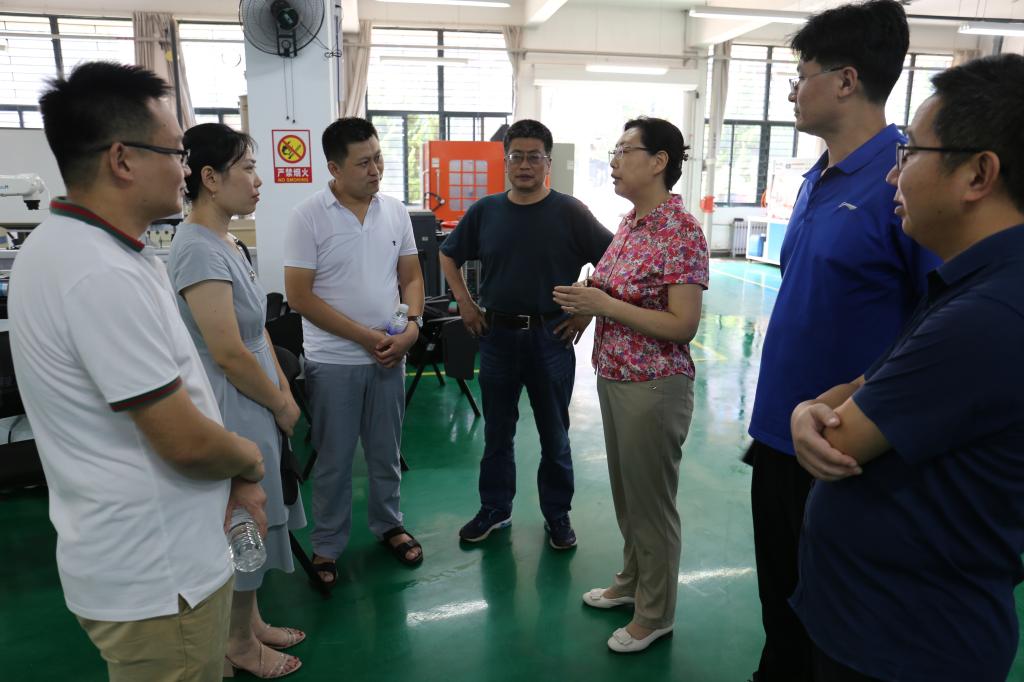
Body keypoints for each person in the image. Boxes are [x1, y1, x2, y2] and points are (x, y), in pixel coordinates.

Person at [10, 61, 266, 681]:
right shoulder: (98, 272)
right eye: (177, 153)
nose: (185, 170)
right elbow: (183, 441)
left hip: (143, 559)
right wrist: (249, 461)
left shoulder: (73, 247)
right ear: (122, 160)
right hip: (160, 576)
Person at [789, 52, 1024, 682]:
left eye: (910, 152)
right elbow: (862, 386)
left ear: (978, 174)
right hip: (882, 623)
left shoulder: (989, 315)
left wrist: (808, 413)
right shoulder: (972, 284)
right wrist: (813, 406)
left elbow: (841, 434)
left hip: (905, 644)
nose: (893, 175)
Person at [742, 2, 940, 679]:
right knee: (780, 607)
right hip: (777, 435)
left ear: (846, 80)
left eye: (800, 77)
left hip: (843, 448)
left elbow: (938, 319)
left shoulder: (902, 183)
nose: (792, 93)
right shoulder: (816, 178)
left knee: (828, 625)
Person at [553, 117, 707, 653]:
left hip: (654, 386)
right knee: (628, 495)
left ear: (659, 161)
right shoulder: (631, 223)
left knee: (652, 505)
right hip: (616, 375)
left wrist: (605, 304)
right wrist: (587, 303)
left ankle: (656, 613)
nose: (614, 161)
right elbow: (616, 290)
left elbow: (682, 324)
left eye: (624, 151)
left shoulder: (680, 231)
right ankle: (632, 581)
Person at [168, 123, 306, 678]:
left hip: (257, 394)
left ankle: (250, 622)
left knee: (261, 511)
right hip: (233, 401)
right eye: (247, 168)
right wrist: (279, 403)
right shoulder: (196, 250)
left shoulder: (227, 241)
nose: (258, 180)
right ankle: (238, 645)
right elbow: (227, 351)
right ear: (209, 177)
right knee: (245, 520)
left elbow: (258, 330)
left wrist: (283, 390)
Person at [439, 119, 612, 548]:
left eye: (535, 157)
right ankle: (495, 509)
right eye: (517, 156)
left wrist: (585, 313)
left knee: (555, 435)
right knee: (497, 433)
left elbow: (613, 261)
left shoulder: (570, 212)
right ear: (506, 161)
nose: (525, 165)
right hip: (497, 337)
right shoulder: (486, 211)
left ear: (548, 163)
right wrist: (465, 302)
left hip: (551, 337)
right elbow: (448, 255)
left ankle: (557, 514)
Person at [284, 117, 425, 585]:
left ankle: (389, 525)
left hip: (389, 355)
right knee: (334, 458)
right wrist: (365, 337)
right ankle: (327, 545)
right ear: (334, 168)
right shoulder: (308, 216)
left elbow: (412, 277)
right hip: (333, 361)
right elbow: (300, 297)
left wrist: (411, 328)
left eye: (378, 158)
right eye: (363, 163)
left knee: (386, 452)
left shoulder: (394, 212)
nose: (376, 170)